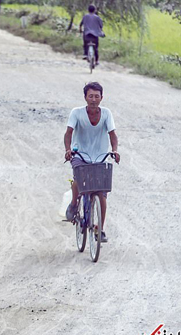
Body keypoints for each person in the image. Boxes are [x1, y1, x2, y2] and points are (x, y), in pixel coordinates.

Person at [64, 82, 120, 243]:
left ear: (102, 97)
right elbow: (68, 133)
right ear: (85, 98)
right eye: (90, 96)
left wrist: (114, 150)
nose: (94, 99)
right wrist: (68, 149)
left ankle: (100, 229)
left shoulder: (107, 114)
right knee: (78, 180)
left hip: (100, 156)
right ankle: (74, 204)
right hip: (79, 154)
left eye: (97, 96)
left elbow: (113, 135)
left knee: (101, 193)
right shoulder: (77, 113)